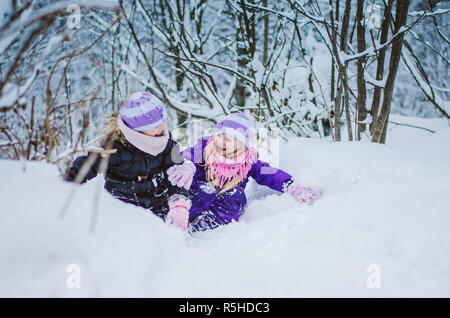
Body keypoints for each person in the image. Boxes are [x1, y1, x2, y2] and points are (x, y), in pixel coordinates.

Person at [65, 91, 195, 230]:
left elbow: (176, 176)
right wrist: (67, 185)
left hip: (158, 204)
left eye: (162, 122)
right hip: (123, 207)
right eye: (154, 125)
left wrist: (178, 203)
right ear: (135, 129)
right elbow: (88, 164)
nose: (161, 127)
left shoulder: (168, 145)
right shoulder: (115, 147)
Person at [172, 112, 321, 233]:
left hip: (223, 198)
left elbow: (269, 173)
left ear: (241, 143)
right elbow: (187, 155)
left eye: (228, 140)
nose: (220, 142)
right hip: (198, 192)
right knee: (207, 192)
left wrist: (290, 185)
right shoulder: (205, 148)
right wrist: (185, 165)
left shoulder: (248, 161)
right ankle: (180, 220)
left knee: (236, 196)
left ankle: (202, 225)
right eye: (219, 136)